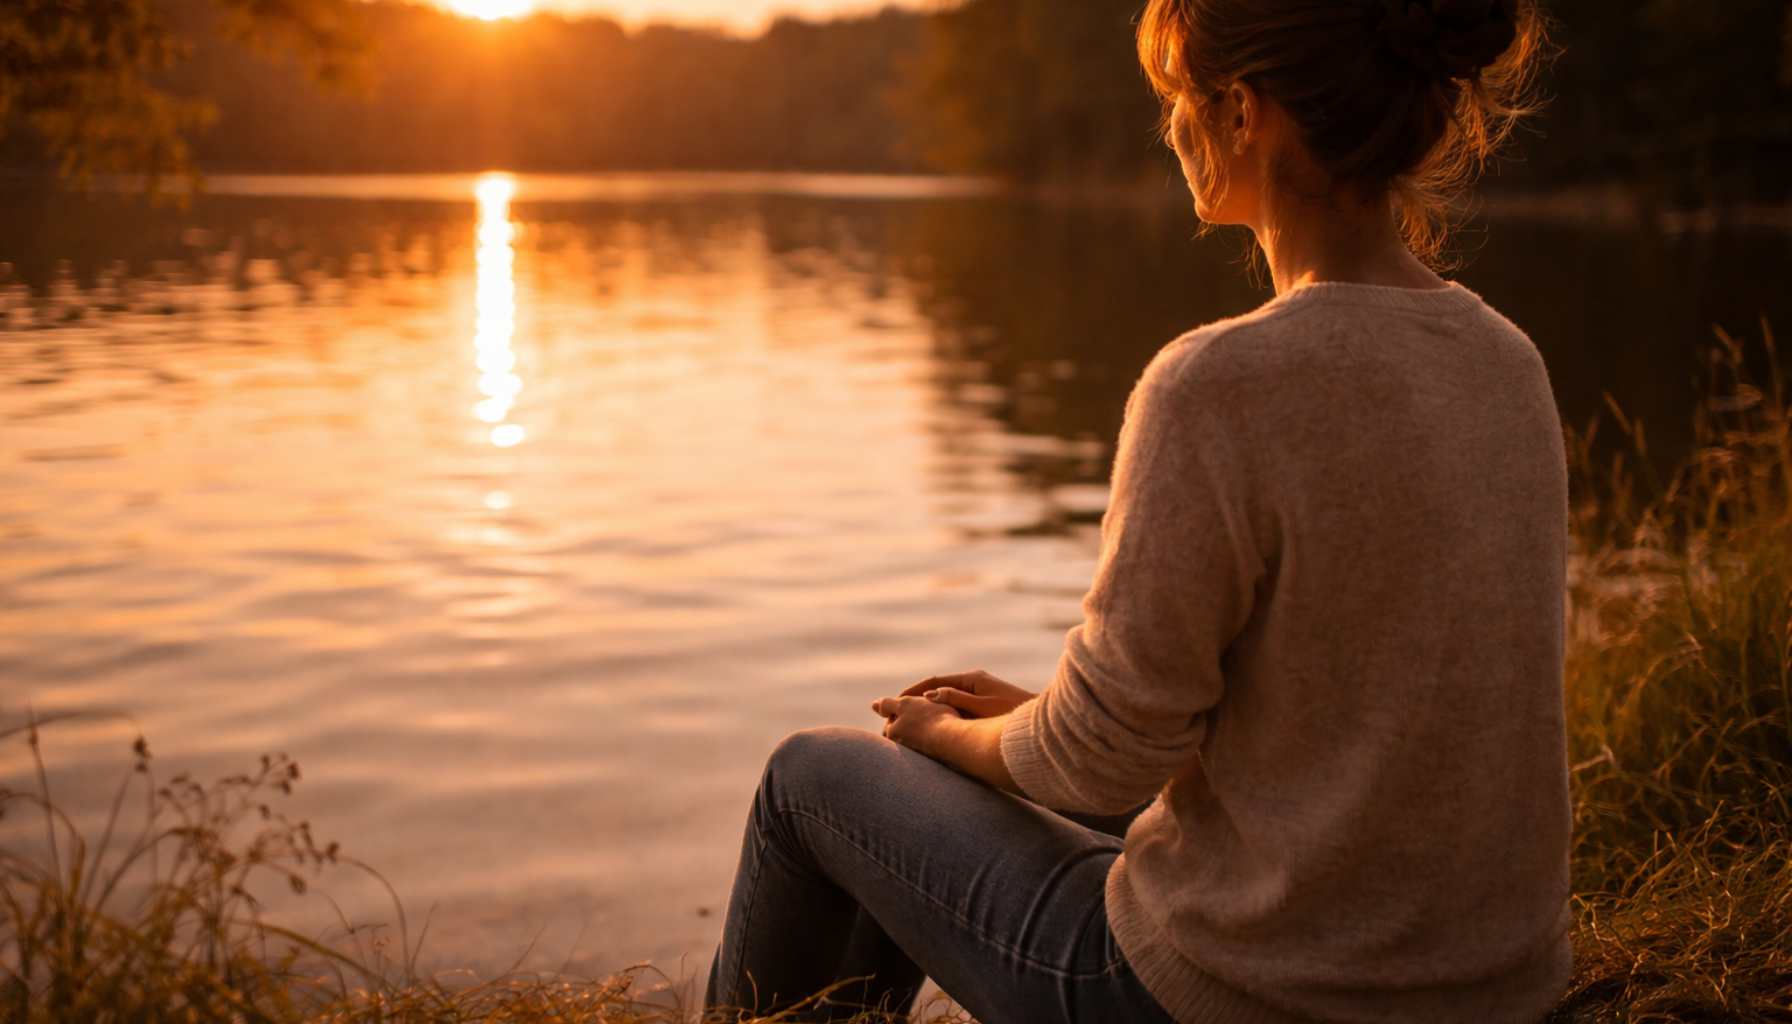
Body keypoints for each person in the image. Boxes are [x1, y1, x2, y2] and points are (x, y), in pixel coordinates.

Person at [702, 0, 1571, 1021]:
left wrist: (945, 738)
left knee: (810, 780)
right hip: (1495, 987)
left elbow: (1093, 764)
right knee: (962, 779)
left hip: (1258, 997)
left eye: (1176, 99)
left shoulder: (1217, 385)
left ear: (1241, 113)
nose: (1170, 128)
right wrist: (1031, 721)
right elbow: (1335, 719)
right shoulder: (1505, 362)